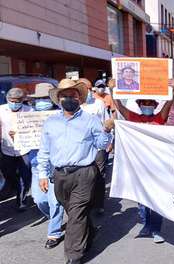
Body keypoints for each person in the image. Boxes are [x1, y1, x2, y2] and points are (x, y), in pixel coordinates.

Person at [38, 79, 114, 264]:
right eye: (65, 96)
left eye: (72, 95)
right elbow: (44, 150)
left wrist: (106, 131)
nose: (69, 99)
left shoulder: (90, 120)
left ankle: (74, 255)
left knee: (76, 214)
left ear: (79, 98)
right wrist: (42, 173)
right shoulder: (51, 122)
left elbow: (102, 145)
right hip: (59, 175)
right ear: (59, 99)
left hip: (84, 173)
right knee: (72, 212)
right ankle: (90, 231)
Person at [110, 78, 174, 244]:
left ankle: (156, 229)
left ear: (154, 105)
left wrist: (173, 90)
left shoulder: (160, 118)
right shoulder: (133, 117)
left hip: (157, 165)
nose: (147, 105)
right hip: (139, 165)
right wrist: (112, 90)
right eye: (144, 103)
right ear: (140, 105)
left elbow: (169, 102)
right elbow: (119, 106)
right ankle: (146, 225)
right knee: (142, 198)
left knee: (157, 198)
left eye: (150, 103)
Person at [27, 83, 65, 249]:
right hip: (37, 164)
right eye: (40, 99)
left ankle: (54, 232)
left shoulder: (62, 116)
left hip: (55, 164)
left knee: (55, 200)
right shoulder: (26, 116)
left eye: (46, 98)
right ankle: (54, 218)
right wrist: (15, 135)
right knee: (39, 199)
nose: (42, 102)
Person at [78, 78, 109, 214]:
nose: (88, 91)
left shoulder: (99, 104)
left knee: (99, 175)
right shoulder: (73, 105)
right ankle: (85, 202)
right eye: (84, 88)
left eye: (90, 88)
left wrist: (108, 141)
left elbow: (106, 123)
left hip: (98, 147)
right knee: (83, 175)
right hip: (80, 148)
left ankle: (99, 203)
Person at [0, 87, 33, 210]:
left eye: (17, 101)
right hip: (6, 149)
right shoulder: (1, 110)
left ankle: (22, 199)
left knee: (25, 175)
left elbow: (33, 129)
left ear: (22, 100)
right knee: (9, 174)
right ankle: (17, 188)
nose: (14, 103)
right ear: (7, 99)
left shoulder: (30, 111)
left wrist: (19, 134)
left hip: (24, 150)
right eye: (11, 100)